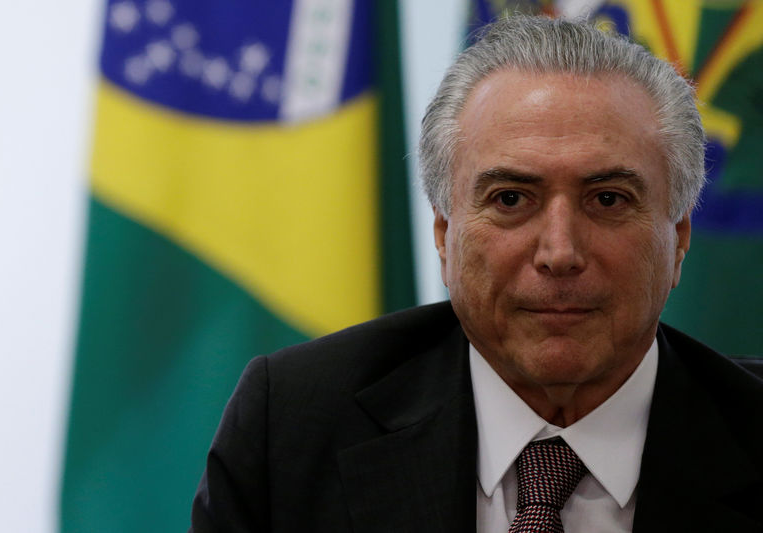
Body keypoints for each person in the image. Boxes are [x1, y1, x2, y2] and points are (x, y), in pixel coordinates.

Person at [190, 15, 763, 532]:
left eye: (608, 200)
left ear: (679, 239)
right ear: (444, 235)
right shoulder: (293, 428)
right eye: (511, 198)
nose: (559, 252)